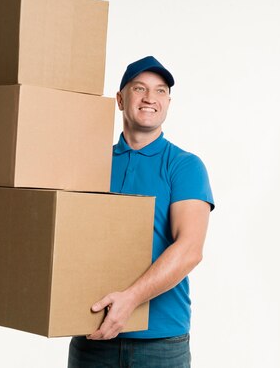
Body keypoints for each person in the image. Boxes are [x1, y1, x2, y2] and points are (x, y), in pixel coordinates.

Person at [68, 56, 215, 368]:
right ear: (121, 100)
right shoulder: (91, 164)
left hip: (160, 344)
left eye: (161, 91)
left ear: (168, 103)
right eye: (140, 88)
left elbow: (189, 249)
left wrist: (130, 300)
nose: (151, 98)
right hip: (92, 335)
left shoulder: (184, 166)